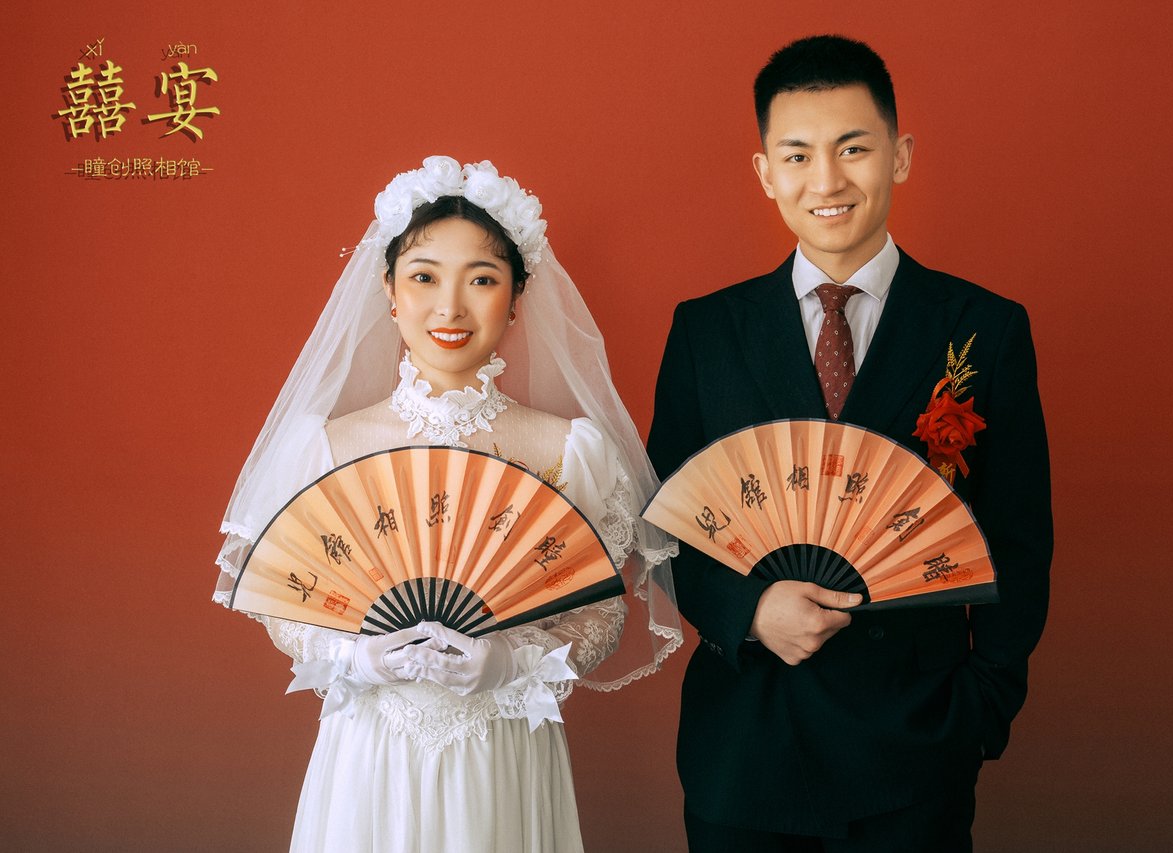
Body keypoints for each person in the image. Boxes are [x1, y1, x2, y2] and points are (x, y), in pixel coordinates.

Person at [648, 35, 1052, 851]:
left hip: (915, 751)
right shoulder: (707, 332)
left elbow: (1018, 537)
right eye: (797, 155)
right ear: (766, 172)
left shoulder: (984, 328)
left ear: (899, 156)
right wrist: (749, 612)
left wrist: (981, 708)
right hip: (746, 748)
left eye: (853, 148)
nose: (826, 180)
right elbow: (664, 525)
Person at [215, 156, 682, 852]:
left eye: (482, 279)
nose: (450, 307)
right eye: (424, 276)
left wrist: (513, 661)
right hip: (369, 749)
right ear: (389, 290)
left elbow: (600, 614)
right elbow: (287, 602)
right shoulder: (325, 447)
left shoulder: (571, 451)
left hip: (503, 746)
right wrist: (359, 658)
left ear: (517, 297)